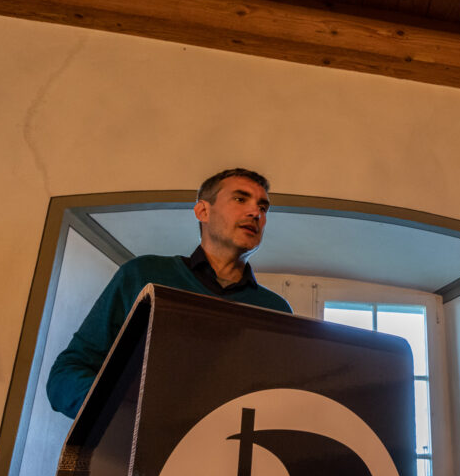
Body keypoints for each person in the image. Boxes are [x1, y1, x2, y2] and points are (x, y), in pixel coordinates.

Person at [46, 168, 292, 418]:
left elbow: (283, 400)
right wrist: (125, 411)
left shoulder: (276, 310)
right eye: (240, 199)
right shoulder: (143, 275)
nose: (256, 213)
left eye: (263, 208)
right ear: (203, 211)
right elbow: (66, 375)